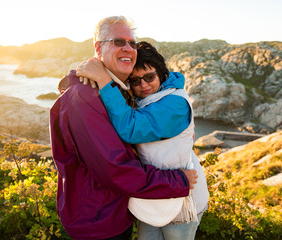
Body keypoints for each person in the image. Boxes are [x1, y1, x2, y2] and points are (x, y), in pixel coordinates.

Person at [50, 16, 198, 240]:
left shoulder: (116, 90)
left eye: (132, 43)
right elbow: (116, 169)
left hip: (115, 211)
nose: (128, 48)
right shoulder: (84, 96)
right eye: (119, 41)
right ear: (98, 48)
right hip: (99, 222)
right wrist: (177, 181)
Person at [76, 41, 209, 240]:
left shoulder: (175, 103)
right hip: (153, 193)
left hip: (182, 198)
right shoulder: (143, 98)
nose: (143, 85)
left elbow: (132, 129)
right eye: (135, 81)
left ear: (161, 74)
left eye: (149, 77)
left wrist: (104, 81)